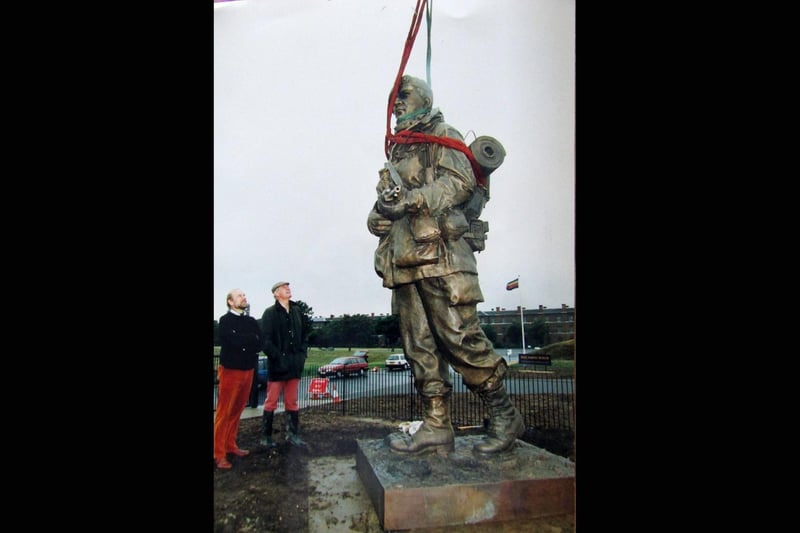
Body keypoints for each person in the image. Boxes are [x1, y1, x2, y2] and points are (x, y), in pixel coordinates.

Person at [367, 74, 524, 456]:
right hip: (405, 262)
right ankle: (436, 424)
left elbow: (459, 184)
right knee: (418, 347)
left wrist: (411, 201)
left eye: (403, 96)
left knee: (461, 340)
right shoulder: (399, 153)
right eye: (394, 99)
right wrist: (377, 217)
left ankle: (504, 414)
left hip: (443, 259)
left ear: (423, 98)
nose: (397, 104)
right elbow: (384, 206)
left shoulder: (443, 135)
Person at [214, 289, 263, 469]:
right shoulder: (225, 321)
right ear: (230, 302)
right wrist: (250, 339)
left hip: (248, 370)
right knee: (224, 412)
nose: (244, 297)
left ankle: (230, 445)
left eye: (244, 295)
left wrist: (246, 341)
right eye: (239, 296)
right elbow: (231, 341)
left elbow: (260, 342)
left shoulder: (250, 321)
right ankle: (219, 454)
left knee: (236, 410)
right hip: (230, 371)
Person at [259, 281, 308, 449]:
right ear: (276, 293)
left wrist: (302, 356)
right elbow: (265, 341)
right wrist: (279, 358)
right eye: (284, 288)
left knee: (292, 401)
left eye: (288, 287)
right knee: (271, 401)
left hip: (294, 366)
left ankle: (292, 434)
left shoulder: (297, 312)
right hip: (278, 367)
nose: (288, 289)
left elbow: (304, 336)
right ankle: (265, 437)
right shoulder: (270, 313)